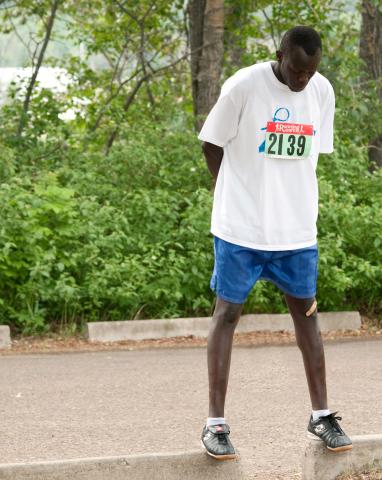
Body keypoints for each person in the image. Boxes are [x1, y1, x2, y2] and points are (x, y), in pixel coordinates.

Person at [198, 25, 352, 460]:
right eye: (297, 70)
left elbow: (306, 159)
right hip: (240, 230)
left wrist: (288, 205)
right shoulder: (244, 85)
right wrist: (228, 192)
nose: (303, 80)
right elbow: (211, 141)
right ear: (280, 53)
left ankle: (321, 415)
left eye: (310, 72)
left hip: (296, 231)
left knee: (307, 317)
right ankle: (215, 425)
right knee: (226, 314)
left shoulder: (322, 92)